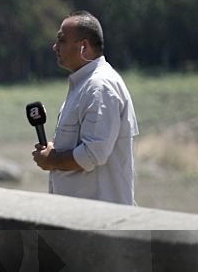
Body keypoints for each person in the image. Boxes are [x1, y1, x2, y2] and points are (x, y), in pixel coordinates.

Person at [32, 11, 139, 205]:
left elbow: (92, 154)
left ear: (84, 47)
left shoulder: (100, 86)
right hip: (82, 218)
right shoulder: (86, 85)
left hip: (100, 222)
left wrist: (52, 160)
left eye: (62, 41)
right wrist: (54, 150)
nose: (55, 46)